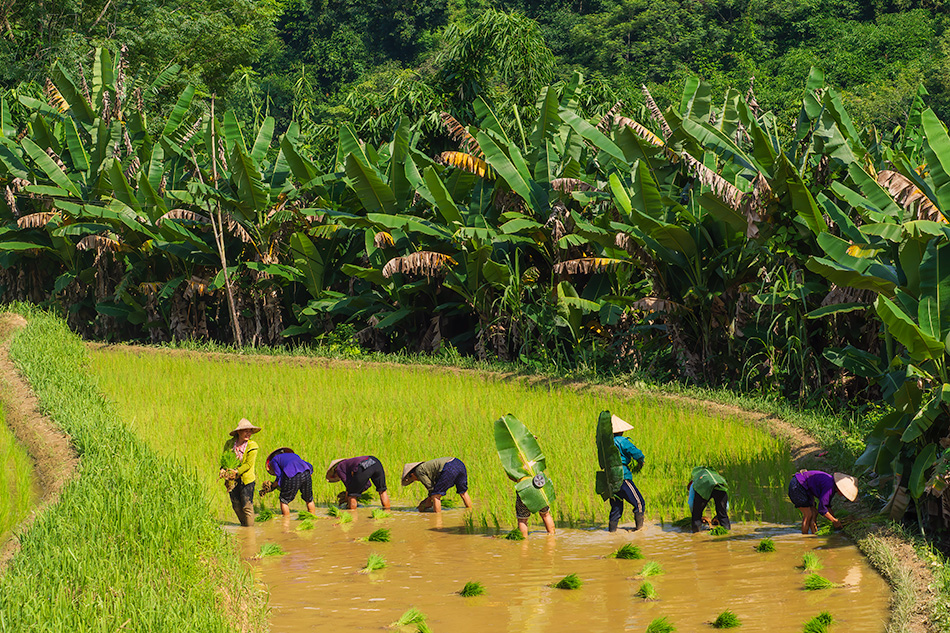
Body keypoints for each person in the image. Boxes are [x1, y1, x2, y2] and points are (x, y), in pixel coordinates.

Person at [788, 470, 858, 534]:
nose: (843, 495)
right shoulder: (829, 487)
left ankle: (814, 534)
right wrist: (834, 521)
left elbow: (826, 506)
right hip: (797, 485)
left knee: (814, 513)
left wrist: (835, 519)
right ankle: (805, 538)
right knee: (808, 514)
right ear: (840, 489)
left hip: (805, 487)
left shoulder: (831, 486)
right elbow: (822, 509)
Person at [608, 415, 646, 532]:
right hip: (623, 477)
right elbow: (637, 454)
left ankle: (612, 532)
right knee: (639, 503)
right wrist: (641, 462)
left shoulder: (606, 444)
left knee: (616, 507)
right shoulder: (622, 441)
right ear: (622, 431)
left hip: (610, 479)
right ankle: (639, 531)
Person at [220, 418, 260, 526]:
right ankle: (244, 527)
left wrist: (236, 472)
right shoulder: (230, 443)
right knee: (236, 506)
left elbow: (248, 465)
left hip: (246, 480)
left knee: (247, 506)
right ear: (238, 432)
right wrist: (223, 469)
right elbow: (224, 458)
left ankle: (249, 531)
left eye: (250, 431)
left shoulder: (252, 446)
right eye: (245, 430)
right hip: (232, 480)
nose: (248, 433)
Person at [259, 447, 318, 517]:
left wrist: (272, 487)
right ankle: (313, 517)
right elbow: (309, 465)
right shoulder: (295, 455)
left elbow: (279, 476)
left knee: (283, 500)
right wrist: (309, 474)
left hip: (292, 475)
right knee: (309, 499)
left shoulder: (274, 461)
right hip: (306, 473)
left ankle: (286, 522)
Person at [401, 457, 473, 513]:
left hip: (448, 466)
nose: (416, 480)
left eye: (413, 479)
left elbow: (431, 489)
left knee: (436, 496)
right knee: (463, 492)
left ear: (412, 474)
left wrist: (427, 502)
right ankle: (470, 512)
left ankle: (437, 520)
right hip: (459, 464)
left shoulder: (418, 471)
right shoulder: (426, 468)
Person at [326, 456, 392, 510]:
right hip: (375, 461)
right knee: (382, 491)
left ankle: (352, 517)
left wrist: (346, 499)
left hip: (363, 465)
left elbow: (349, 488)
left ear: (334, 470)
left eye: (335, 476)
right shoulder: (349, 463)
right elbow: (367, 484)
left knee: (352, 496)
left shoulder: (339, 468)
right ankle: (387, 512)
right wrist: (358, 492)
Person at [687, 466, 730, 533]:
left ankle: (696, 536)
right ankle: (727, 535)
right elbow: (726, 506)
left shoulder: (695, 481)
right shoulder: (718, 478)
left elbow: (691, 505)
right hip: (720, 488)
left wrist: (696, 515)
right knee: (723, 517)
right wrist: (719, 516)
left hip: (704, 487)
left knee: (696, 516)